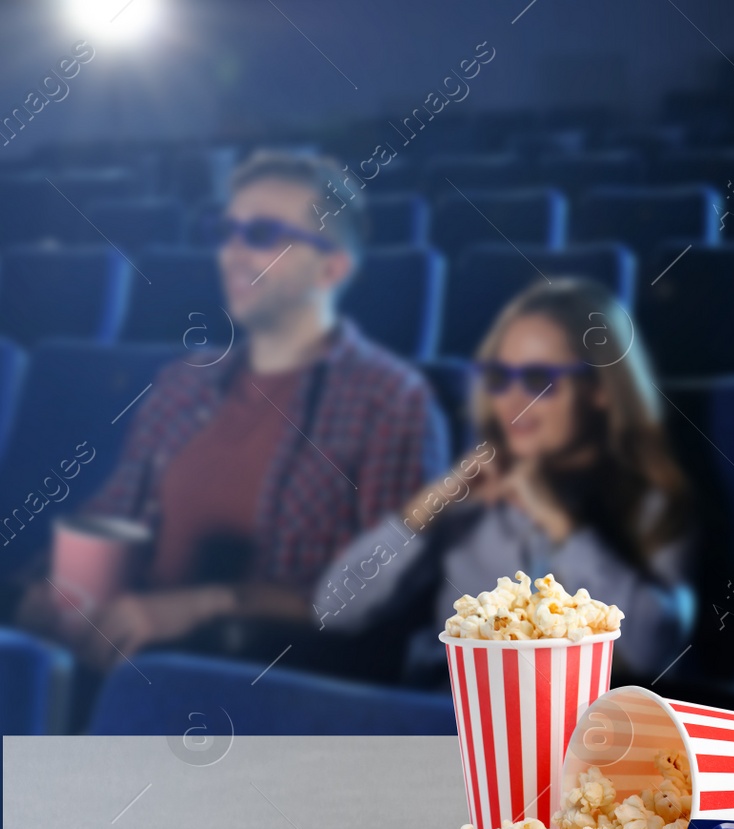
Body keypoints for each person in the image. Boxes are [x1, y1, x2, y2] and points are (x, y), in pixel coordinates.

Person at [14, 150, 448, 672]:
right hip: (111, 657)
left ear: (331, 268)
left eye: (262, 235)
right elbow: (114, 513)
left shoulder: (393, 400)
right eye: (227, 231)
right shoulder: (183, 382)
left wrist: (205, 607)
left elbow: (380, 599)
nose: (232, 253)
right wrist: (46, 588)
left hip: (253, 688)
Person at [313, 278, 696, 682]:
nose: (513, 401)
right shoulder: (472, 501)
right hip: (447, 716)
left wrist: (560, 526)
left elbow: (655, 650)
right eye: (498, 378)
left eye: (537, 381)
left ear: (599, 389)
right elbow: (333, 611)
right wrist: (425, 509)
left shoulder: (651, 503)